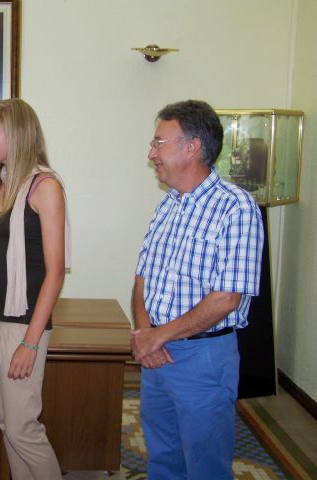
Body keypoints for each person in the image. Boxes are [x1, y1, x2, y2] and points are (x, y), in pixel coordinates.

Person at [132, 100, 264, 479]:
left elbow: (227, 298)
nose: (151, 153)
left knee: (205, 466)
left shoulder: (236, 208)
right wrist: (145, 333)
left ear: (192, 147)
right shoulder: (167, 206)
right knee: (163, 458)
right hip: (157, 353)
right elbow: (142, 278)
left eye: (159, 143)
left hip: (203, 358)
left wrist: (157, 336)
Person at [0, 98, 70, 479]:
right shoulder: (2, 182)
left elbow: (55, 273)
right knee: (8, 424)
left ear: (18, 133)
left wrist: (30, 341)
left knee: (24, 429)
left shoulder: (45, 186)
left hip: (21, 325)